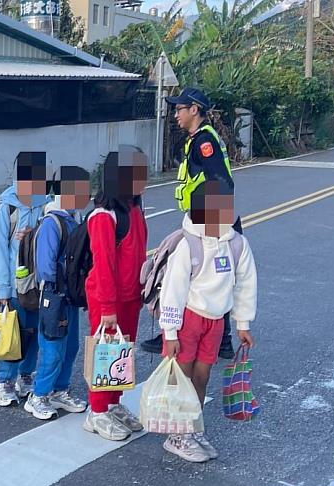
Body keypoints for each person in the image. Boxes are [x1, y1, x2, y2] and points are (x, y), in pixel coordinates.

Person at [159, 177, 257, 462]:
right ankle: (177, 435)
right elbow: (173, 290)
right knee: (183, 377)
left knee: (202, 376)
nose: (225, 215)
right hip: (189, 319)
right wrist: (170, 332)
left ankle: (192, 426)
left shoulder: (237, 244)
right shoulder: (189, 245)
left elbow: (245, 284)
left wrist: (243, 324)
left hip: (215, 321)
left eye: (227, 208)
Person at [141, 87, 238, 360]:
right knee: (210, 275)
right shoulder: (198, 139)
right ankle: (223, 340)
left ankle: (178, 333)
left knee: (184, 274)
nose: (175, 115)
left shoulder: (204, 142)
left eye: (179, 109)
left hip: (207, 219)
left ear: (194, 110)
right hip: (204, 218)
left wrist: (211, 223)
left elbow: (221, 181)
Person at [83, 147, 148, 440]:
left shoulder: (133, 208)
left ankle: (113, 403)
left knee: (122, 354)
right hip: (107, 299)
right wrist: (108, 306)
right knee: (105, 354)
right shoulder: (103, 216)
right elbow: (104, 264)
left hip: (130, 296)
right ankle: (96, 413)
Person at [23, 174, 90, 420]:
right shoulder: (52, 222)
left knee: (70, 346)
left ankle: (59, 390)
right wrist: (67, 284)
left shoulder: (75, 219)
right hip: (55, 294)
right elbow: (46, 266)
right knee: (52, 346)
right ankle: (39, 395)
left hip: (69, 295)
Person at [0, 152, 52, 407]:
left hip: (38, 284)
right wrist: (2, 288)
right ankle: (3, 380)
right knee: (12, 333)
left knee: (33, 332)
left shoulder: (46, 203)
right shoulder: (8, 206)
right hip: (15, 287)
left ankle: (24, 376)